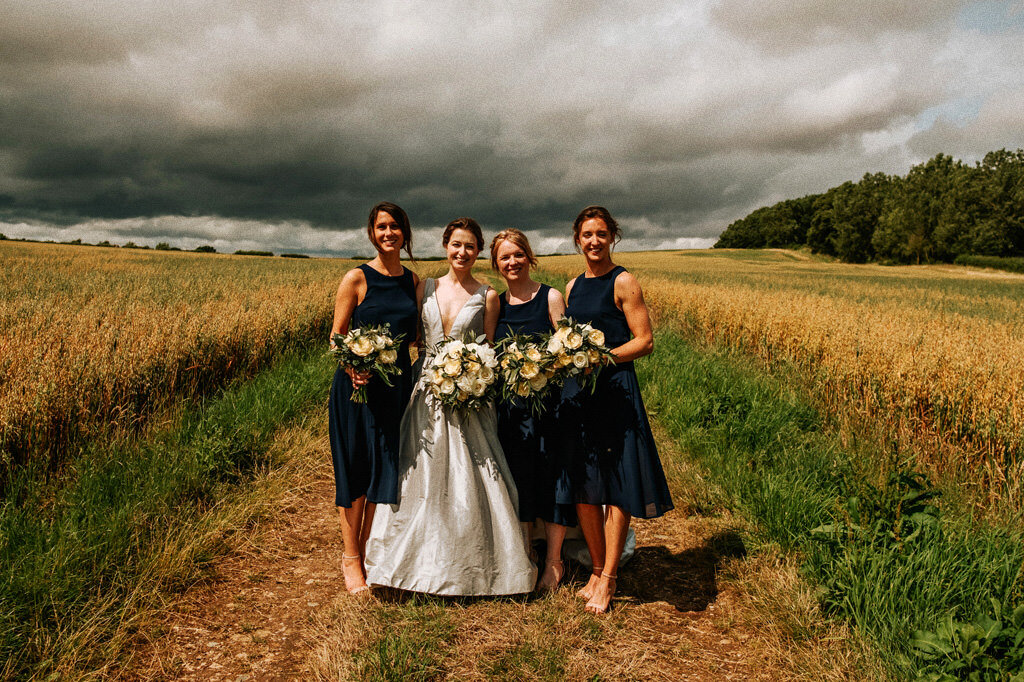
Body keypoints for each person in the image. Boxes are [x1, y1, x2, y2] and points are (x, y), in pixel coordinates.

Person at [364, 218, 537, 596]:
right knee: (418, 474)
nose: (462, 252)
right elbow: (408, 335)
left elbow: (488, 349)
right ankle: (409, 564)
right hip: (424, 388)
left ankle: (476, 567)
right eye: (456, 244)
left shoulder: (488, 296)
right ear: (446, 246)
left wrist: (470, 377)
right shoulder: (423, 287)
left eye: (470, 247)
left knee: (471, 474)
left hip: (469, 394)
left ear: (478, 252)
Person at [558, 205, 673, 614]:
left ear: (612, 238)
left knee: (616, 483)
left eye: (601, 234)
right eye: (587, 234)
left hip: (614, 389)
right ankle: (594, 567)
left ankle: (609, 579)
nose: (594, 241)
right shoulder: (572, 287)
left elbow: (645, 341)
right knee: (586, 486)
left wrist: (603, 359)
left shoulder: (623, 281)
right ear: (577, 239)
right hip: (580, 393)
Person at [327, 202, 419, 595]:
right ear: (372, 233)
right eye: (381, 227)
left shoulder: (413, 282)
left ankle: (366, 551)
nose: (388, 233)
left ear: (405, 233)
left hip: (394, 388)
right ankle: (350, 559)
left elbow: (415, 338)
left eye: (395, 226)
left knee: (384, 469)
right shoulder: (356, 278)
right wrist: (353, 365)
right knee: (356, 469)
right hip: (357, 388)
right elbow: (336, 335)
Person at [490, 229, 575, 591]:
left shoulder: (550, 297)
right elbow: (490, 353)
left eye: (518, 254)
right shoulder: (497, 304)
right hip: (513, 408)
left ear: (530, 257)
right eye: (504, 257)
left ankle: (555, 562)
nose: (512, 262)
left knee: (554, 476)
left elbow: (568, 350)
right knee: (520, 478)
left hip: (551, 405)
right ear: (496, 264)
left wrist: (544, 367)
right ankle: (527, 553)